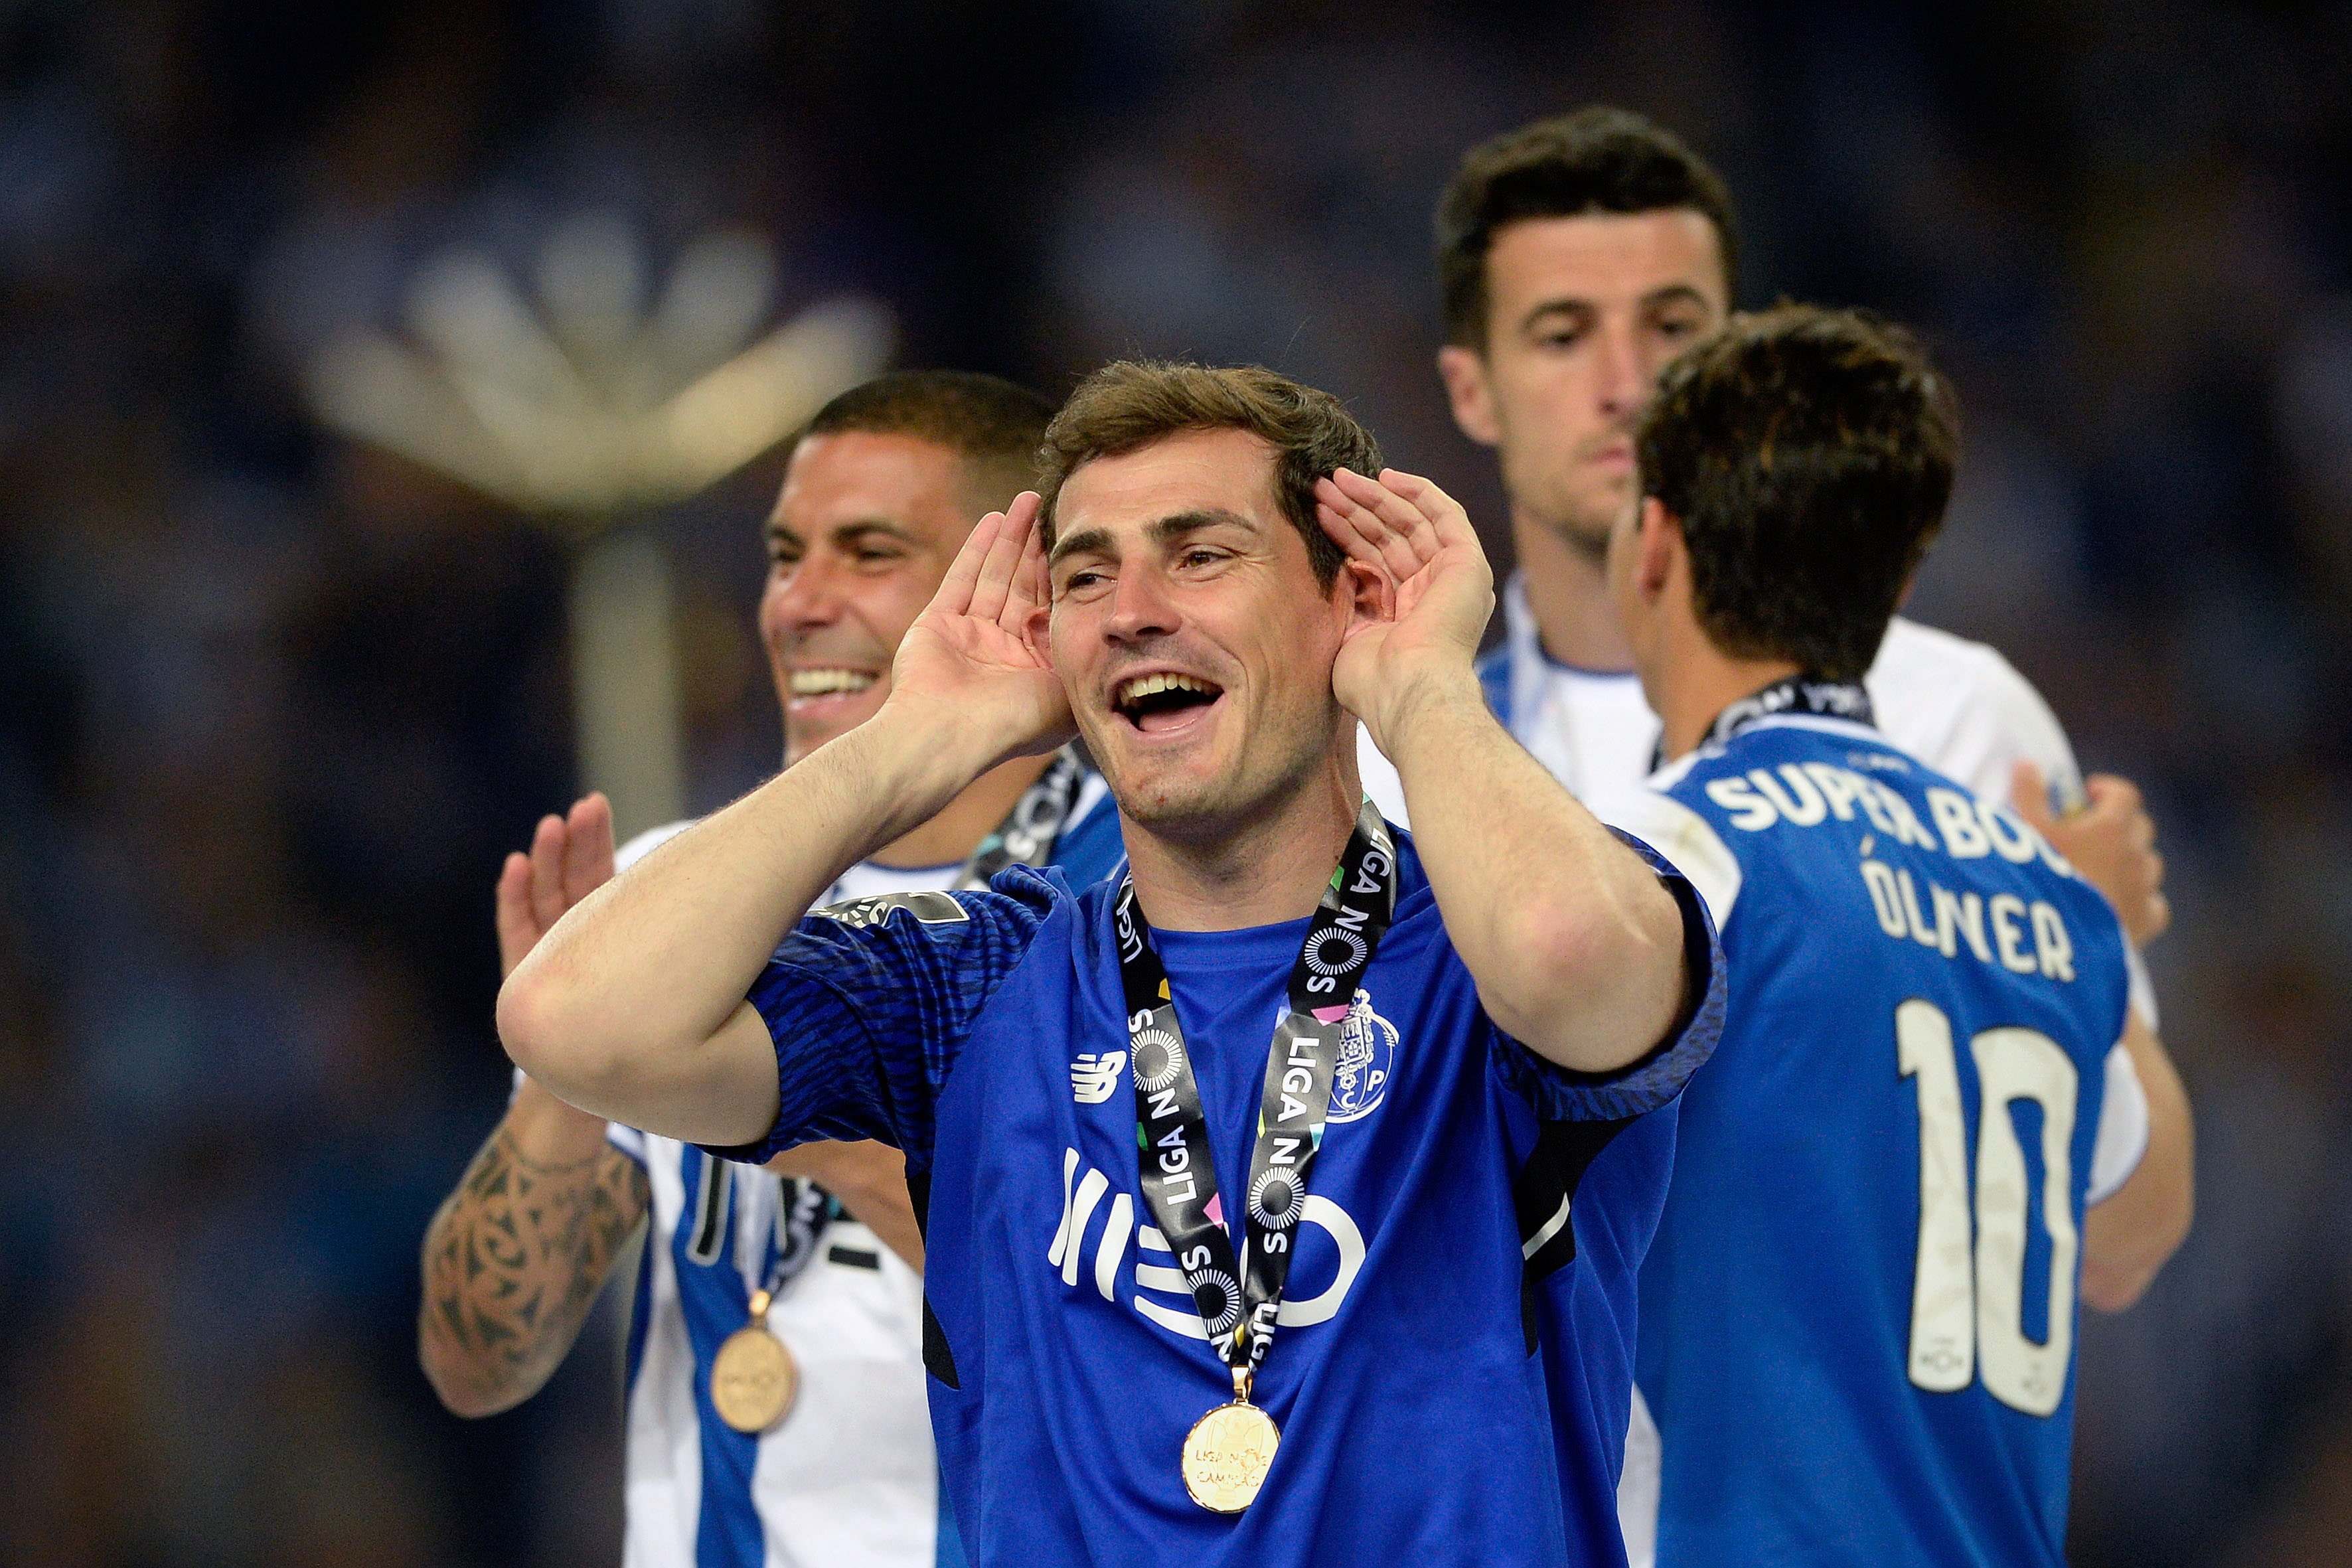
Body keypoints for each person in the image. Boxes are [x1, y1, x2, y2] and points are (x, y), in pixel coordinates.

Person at [497, 360, 1726, 1565]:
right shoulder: (976, 980)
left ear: (1346, 596)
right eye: (1086, 574)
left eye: (1200, 554)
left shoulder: (1494, 941)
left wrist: (1422, 688)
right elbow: (574, 1018)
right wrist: (916, 742)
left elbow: (1574, 959)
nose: (1135, 607)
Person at [419, 370, 1124, 1568]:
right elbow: (479, 1359)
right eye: (784, 553)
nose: (796, 603)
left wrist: (810, 1117)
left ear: (1017, 588)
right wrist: (571, 1071)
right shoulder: (674, 902)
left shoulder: (1140, 895)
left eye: (867, 551)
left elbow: (1169, 1349)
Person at [1602, 304, 2193, 1563]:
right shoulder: (2040, 892)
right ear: (1897, 580)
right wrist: (2093, 920)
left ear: (1649, 544)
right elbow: (2142, 1212)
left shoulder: (1674, 846)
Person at [1377, 106, 2167, 951]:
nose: (1628, 384)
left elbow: (2110, 1081)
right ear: (1472, 391)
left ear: (1734, 356)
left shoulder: (1956, 713)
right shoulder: (1395, 763)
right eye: (1564, 336)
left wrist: (2096, 957)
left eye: (1673, 327)